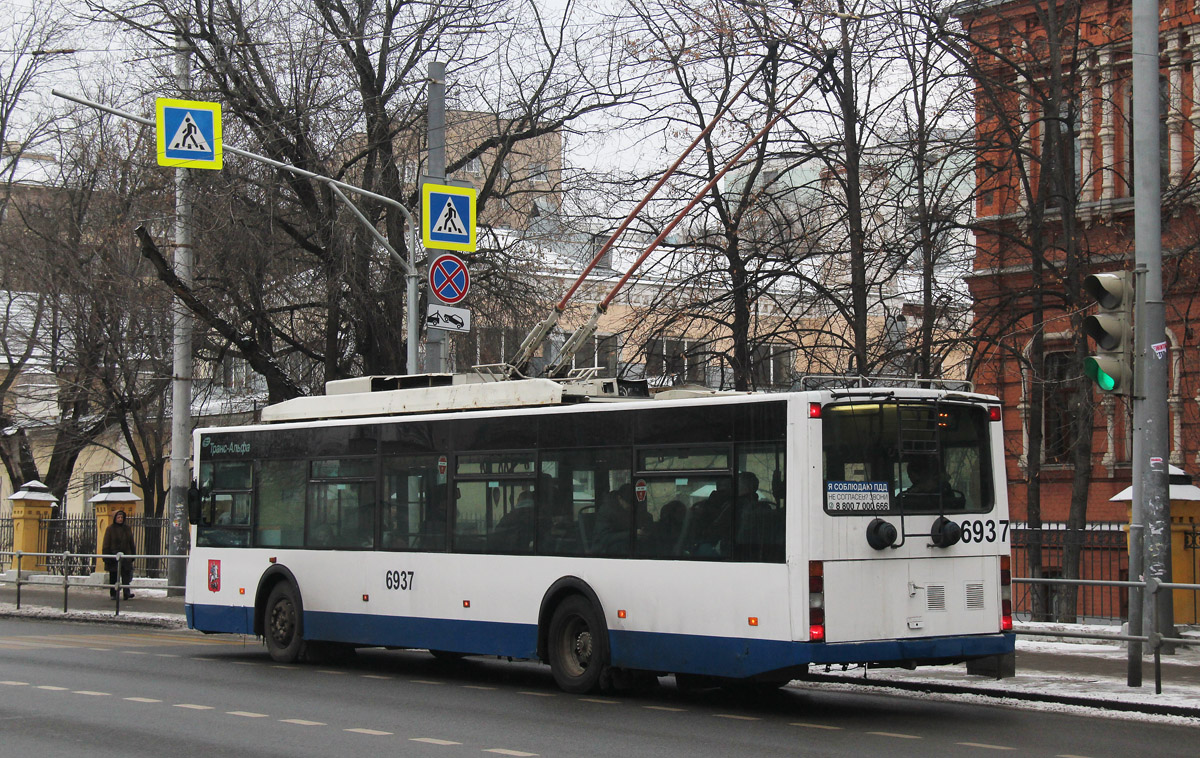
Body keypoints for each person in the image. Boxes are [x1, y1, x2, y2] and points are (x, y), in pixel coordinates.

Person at [102, 509, 136, 599]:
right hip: (113, 557)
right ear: (114, 518)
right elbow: (106, 543)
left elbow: (131, 543)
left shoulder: (127, 529)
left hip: (126, 556)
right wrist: (106, 557)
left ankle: (126, 593)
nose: (120, 519)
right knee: (113, 576)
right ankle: (114, 594)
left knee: (126, 576)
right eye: (118, 517)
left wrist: (133, 555)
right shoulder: (110, 529)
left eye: (121, 517)